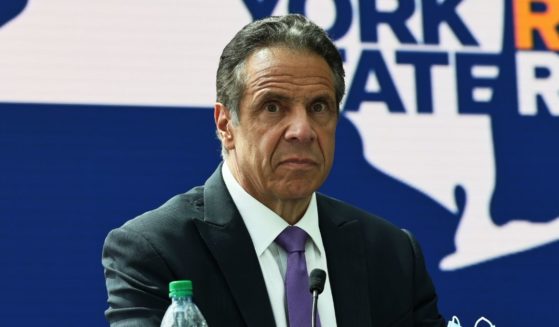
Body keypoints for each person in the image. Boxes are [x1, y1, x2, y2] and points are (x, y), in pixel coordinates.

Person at [102, 14, 446, 327]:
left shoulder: (392, 254)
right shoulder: (157, 251)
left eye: (319, 107)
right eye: (273, 106)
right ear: (226, 124)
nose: (302, 130)